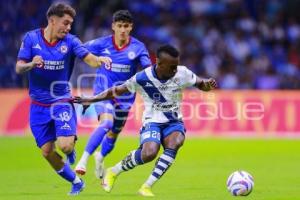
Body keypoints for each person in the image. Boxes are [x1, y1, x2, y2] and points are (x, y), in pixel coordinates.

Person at [73, 44, 217, 197]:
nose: (175, 70)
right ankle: (113, 171)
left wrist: (208, 84)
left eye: (176, 65)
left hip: (174, 122)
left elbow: (202, 84)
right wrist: (91, 99)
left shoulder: (183, 73)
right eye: (172, 67)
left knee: (176, 142)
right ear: (159, 63)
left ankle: (146, 186)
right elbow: (116, 91)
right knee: (149, 153)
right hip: (152, 122)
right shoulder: (142, 78)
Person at [15, 3, 111, 195]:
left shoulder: (71, 41)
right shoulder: (31, 38)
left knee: (65, 146)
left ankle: (69, 146)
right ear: (52, 20)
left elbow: (88, 58)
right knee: (47, 152)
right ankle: (76, 182)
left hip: (61, 101)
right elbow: (19, 68)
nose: (68, 28)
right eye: (65, 23)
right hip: (38, 105)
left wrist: (99, 60)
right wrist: (32, 64)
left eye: (70, 24)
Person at [74, 10, 152, 179]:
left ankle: (100, 156)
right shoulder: (102, 44)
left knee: (114, 134)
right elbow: (78, 49)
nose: (122, 29)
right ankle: (83, 160)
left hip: (125, 97)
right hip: (103, 93)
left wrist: (150, 74)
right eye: (119, 26)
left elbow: (147, 68)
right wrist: (96, 58)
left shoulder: (138, 47)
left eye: (126, 26)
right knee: (106, 124)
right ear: (113, 27)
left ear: (130, 27)